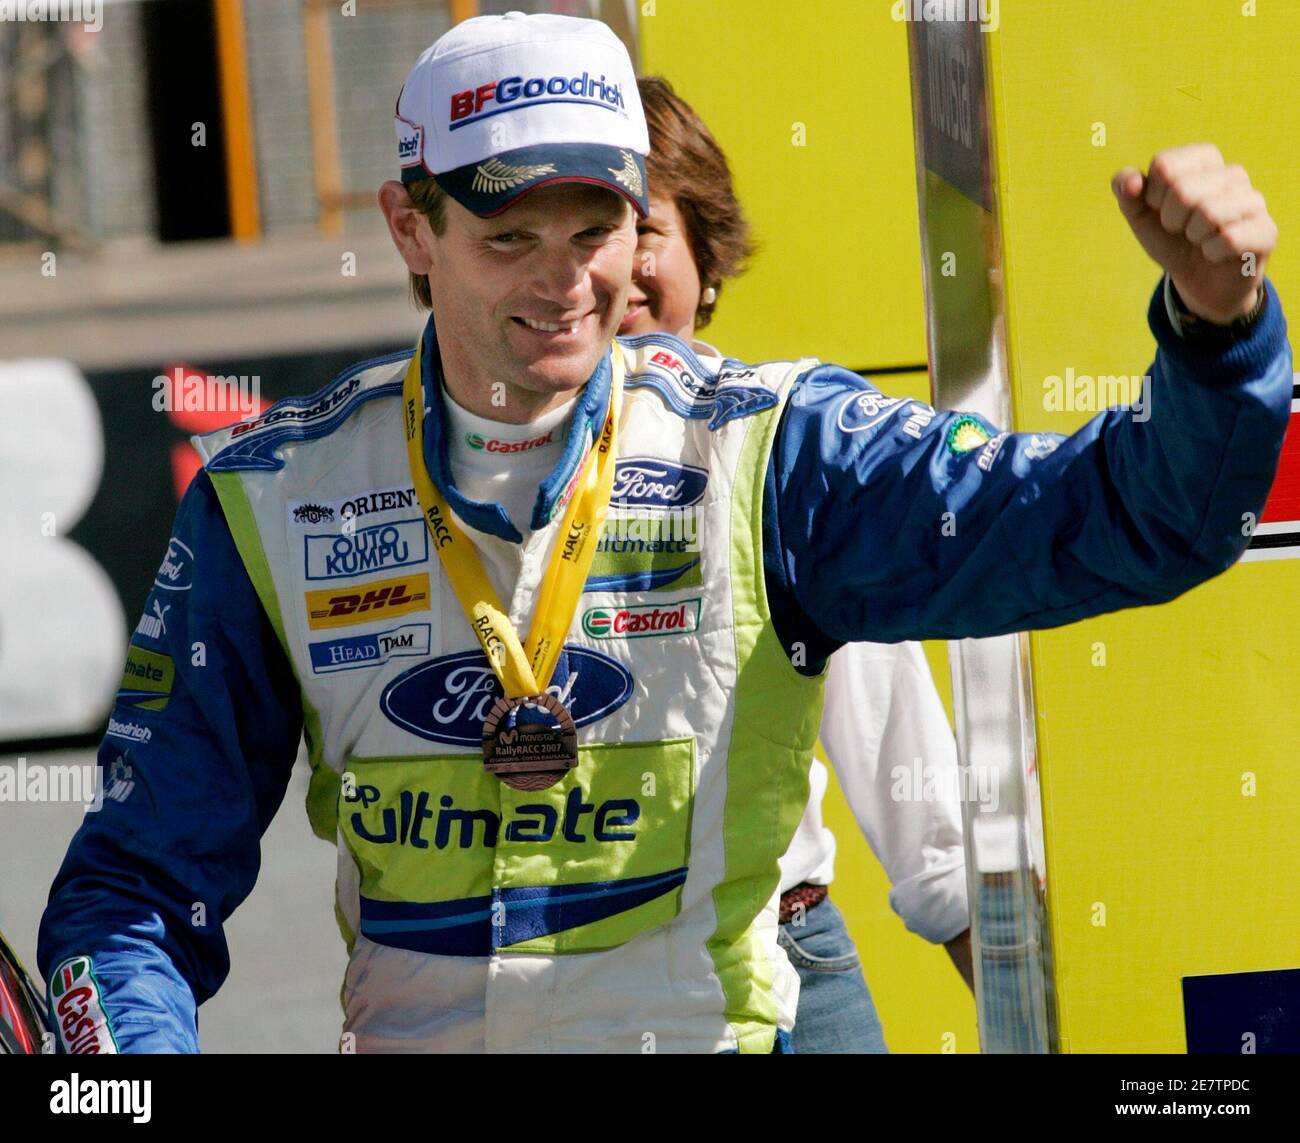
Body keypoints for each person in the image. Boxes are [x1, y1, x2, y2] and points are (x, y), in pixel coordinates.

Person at [38, 12, 1290, 1054]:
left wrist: (1220, 335)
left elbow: (1132, 521)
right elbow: (138, 888)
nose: (567, 283)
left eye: (598, 232)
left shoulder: (775, 447)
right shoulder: (273, 497)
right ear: (412, 229)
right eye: (509, 237)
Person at [622, 75, 972, 1054]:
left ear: (705, 250)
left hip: (792, 969)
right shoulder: (439, 481)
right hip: (562, 998)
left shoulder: (776, 457)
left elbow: (909, 781)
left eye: (638, 226)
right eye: (556, 234)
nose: (609, 269)